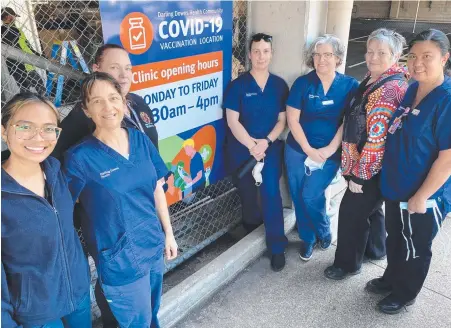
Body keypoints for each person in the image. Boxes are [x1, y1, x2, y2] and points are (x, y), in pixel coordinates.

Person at [51, 43, 165, 328]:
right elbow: (63, 197)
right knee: (124, 318)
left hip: (149, 239)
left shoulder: (136, 113)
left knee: (150, 316)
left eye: (127, 67)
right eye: (115, 67)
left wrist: (167, 231)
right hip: (116, 251)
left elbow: (154, 177)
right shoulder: (78, 142)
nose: (123, 74)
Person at [366, 29, 451, 314]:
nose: (418, 63)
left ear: (445, 59)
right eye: (413, 56)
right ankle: (392, 277)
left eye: (427, 56)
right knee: (396, 235)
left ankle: (405, 292)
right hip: (396, 184)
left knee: (416, 245)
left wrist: (422, 196)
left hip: (422, 194)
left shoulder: (447, 101)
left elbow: (448, 159)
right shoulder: (413, 88)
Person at [325, 28, 409, 280]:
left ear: (395, 56)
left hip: (370, 167)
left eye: (381, 53)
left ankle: (347, 264)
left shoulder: (389, 89)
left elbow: (377, 138)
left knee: (352, 212)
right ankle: (375, 249)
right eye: (370, 51)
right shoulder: (375, 78)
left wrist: (360, 177)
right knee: (372, 208)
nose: (372, 57)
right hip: (371, 165)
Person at [1, 93, 91, 327]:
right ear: (3, 131)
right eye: (25, 126)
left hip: (78, 296)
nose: (38, 137)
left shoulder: (55, 171)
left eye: (49, 128)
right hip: (37, 315)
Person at [285, 34, 359, 261]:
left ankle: (324, 231)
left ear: (337, 58)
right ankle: (307, 238)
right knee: (298, 195)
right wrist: (307, 149)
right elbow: (293, 120)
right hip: (298, 150)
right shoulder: (303, 83)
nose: (321, 60)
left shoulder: (349, 85)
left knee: (311, 195)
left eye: (327, 55)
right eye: (317, 55)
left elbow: (348, 121)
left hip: (330, 152)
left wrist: (328, 150)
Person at [224, 33, 289, 271]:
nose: (261, 56)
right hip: (242, 149)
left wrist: (265, 142)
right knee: (247, 192)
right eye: (256, 51)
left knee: (271, 192)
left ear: (271, 54)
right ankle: (251, 226)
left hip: (269, 148)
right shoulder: (237, 86)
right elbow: (233, 121)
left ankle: (277, 246)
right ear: (249, 54)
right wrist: (252, 146)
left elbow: (282, 121)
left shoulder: (280, 85)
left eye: (266, 51)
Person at [1, 7, 46, 95]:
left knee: (26, 90)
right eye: (14, 16)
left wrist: (40, 56)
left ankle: (32, 103)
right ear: (9, 16)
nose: (15, 19)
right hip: (23, 65)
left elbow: (27, 46)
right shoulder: (8, 30)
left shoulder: (13, 30)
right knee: (37, 88)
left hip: (19, 65)